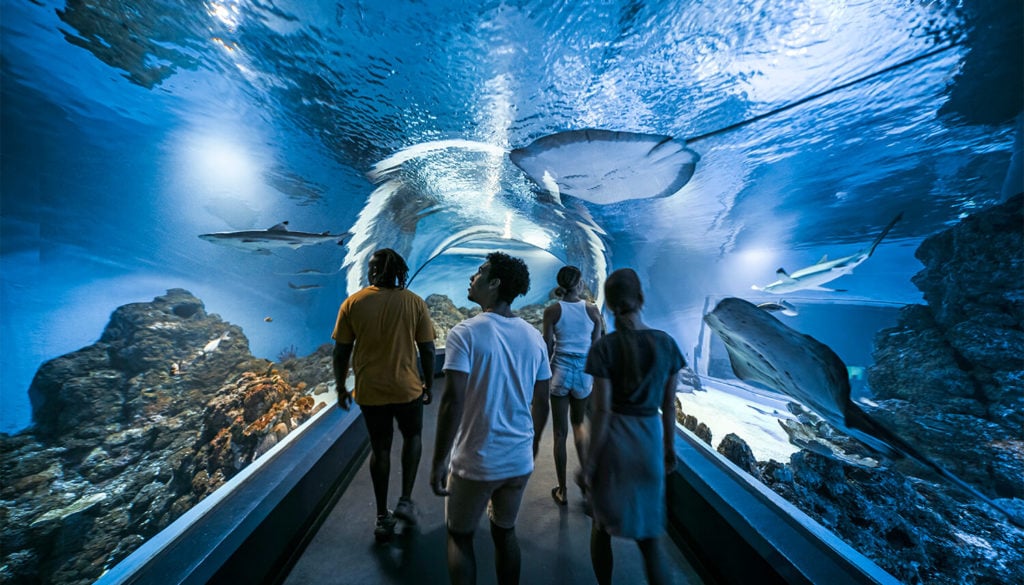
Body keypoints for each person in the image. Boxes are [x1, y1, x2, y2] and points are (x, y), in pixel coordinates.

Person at [431, 252, 552, 585]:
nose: (473, 276)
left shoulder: (464, 333)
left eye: (480, 271)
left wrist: (439, 460)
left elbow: (452, 400)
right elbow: (542, 401)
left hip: (476, 461)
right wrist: (534, 445)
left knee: (459, 537)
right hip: (518, 460)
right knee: (505, 534)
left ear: (495, 283)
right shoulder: (534, 337)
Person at [583, 268, 684, 585]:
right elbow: (668, 406)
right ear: (641, 298)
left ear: (609, 307)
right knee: (651, 541)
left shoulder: (603, 348)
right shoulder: (667, 345)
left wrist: (590, 463)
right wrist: (669, 448)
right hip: (649, 441)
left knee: (600, 527)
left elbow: (601, 410)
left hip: (615, 442)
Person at [332, 248, 436, 543]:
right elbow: (427, 349)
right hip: (407, 389)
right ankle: (405, 499)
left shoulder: (353, 303)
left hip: (370, 391)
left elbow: (341, 351)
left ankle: (381, 516)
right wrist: (427, 382)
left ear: (372, 271)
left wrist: (340, 387)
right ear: (399, 271)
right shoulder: (414, 302)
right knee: (413, 437)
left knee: (380, 449)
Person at [540, 265, 602, 506]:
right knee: (579, 426)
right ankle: (586, 487)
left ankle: (563, 490)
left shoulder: (552, 311)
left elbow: (546, 346)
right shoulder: (592, 310)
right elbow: (596, 348)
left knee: (559, 433)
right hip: (584, 374)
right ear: (580, 284)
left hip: (560, 372)